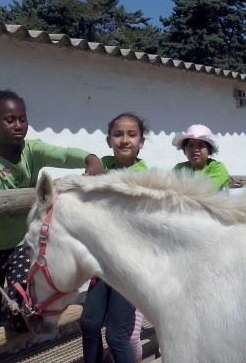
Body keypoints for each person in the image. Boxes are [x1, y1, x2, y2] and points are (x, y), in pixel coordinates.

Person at [0, 89, 105, 363]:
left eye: (22, 119)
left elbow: (64, 155)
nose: (18, 125)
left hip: (21, 246)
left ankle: (19, 333)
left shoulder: (32, 150)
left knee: (22, 301)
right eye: (9, 120)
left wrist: (91, 159)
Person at [80, 112, 148, 363]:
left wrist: (97, 181)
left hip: (129, 265)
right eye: (118, 134)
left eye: (132, 135)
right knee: (89, 323)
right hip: (101, 263)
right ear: (109, 141)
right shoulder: (101, 167)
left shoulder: (144, 176)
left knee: (117, 336)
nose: (125, 140)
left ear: (141, 142)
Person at [171, 124, 230, 191]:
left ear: (209, 151)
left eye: (201, 145)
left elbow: (206, 191)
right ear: (184, 151)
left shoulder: (217, 168)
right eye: (190, 145)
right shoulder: (179, 168)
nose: (195, 149)